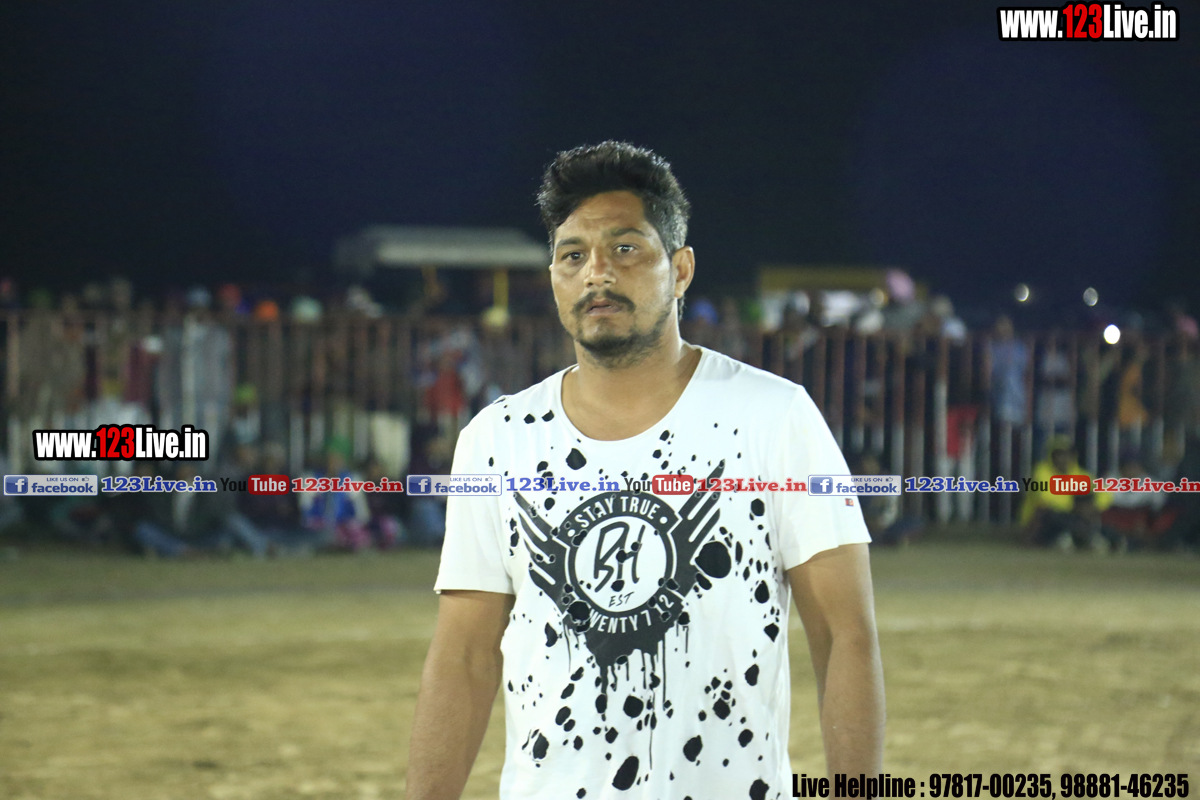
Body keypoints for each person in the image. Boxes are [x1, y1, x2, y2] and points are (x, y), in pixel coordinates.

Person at [406, 142, 884, 800]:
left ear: (680, 269)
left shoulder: (774, 418)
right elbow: (462, 657)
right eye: (573, 256)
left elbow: (845, 635)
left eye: (625, 248)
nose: (597, 273)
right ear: (553, 276)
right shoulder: (498, 440)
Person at [1020, 435, 1113, 551]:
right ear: (1051, 456)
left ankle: (1072, 537)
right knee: (1049, 512)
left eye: (1068, 454)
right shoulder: (1041, 471)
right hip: (1041, 520)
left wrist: (1093, 506)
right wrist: (1076, 506)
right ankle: (1086, 537)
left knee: (1091, 513)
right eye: (1060, 454)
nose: (1064, 458)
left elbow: (1104, 492)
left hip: (1070, 518)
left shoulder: (1080, 474)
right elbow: (1045, 497)